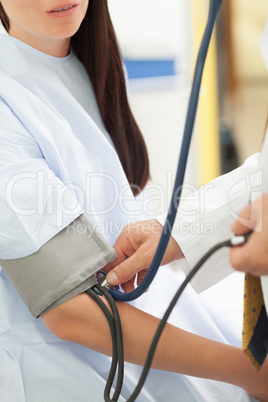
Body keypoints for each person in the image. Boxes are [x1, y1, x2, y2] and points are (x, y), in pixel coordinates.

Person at [0, 1, 267, 402]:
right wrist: (249, 374)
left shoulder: (95, 64)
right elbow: (69, 311)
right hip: (75, 368)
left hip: (156, 335)